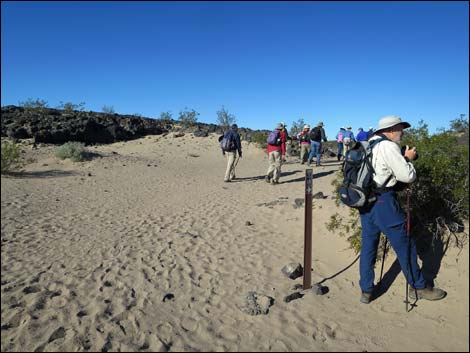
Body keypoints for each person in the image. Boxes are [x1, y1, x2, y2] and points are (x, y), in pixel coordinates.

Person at [358, 115, 446, 304]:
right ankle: (419, 287)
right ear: (389, 130)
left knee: (368, 246)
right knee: (404, 245)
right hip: (383, 202)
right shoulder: (388, 146)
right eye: (400, 128)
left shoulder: (368, 144)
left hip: (365, 202)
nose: (402, 132)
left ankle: (366, 290)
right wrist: (409, 159)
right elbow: (407, 176)